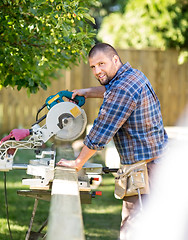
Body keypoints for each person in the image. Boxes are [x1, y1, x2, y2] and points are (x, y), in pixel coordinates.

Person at [56, 43, 168, 239]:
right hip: (156, 163)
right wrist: (87, 92)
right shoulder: (134, 76)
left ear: (115, 59)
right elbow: (111, 89)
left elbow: (100, 133)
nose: (97, 70)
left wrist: (77, 163)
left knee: (134, 229)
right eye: (93, 66)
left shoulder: (122, 90)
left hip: (144, 171)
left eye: (101, 64)